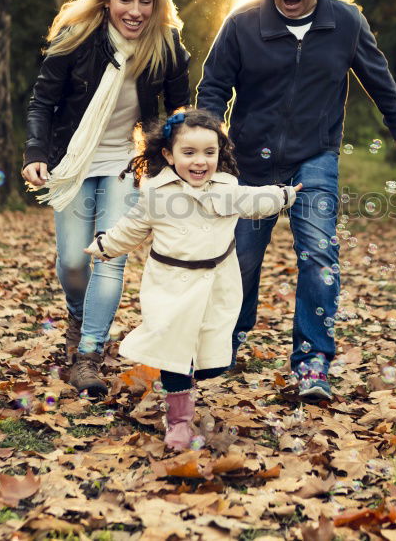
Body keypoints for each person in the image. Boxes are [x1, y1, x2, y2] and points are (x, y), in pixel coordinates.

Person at [196, 0, 396, 402]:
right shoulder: (242, 23)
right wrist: (207, 142)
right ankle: (224, 342)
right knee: (240, 259)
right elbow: (213, 87)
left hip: (314, 155)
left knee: (318, 254)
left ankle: (313, 362)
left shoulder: (346, 22)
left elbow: (377, 75)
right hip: (249, 161)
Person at [22, 0, 190, 398]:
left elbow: (177, 114)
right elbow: (42, 102)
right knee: (74, 262)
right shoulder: (77, 38)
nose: (135, 11)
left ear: (157, 4)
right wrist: (36, 151)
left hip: (124, 163)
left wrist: (180, 161)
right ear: (108, 0)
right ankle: (79, 317)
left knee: (109, 258)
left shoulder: (167, 48)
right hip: (72, 162)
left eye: (146, 1)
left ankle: (89, 354)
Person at [83, 108, 301, 449]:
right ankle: (179, 420)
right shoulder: (156, 194)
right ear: (169, 155)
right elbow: (132, 227)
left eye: (209, 152)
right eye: (189, 153)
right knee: (176, 354)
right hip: (171, 285)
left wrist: (284, 195)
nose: (200, 161)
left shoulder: (228, 189)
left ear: (220, 154)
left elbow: (256, 200)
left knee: (214, 360)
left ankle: (187, 382)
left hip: (217, 283)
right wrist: (104, 245)